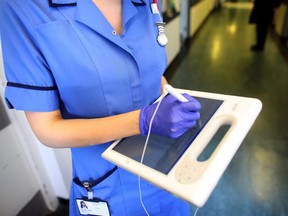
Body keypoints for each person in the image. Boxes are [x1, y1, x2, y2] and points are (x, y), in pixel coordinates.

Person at [0, 0, 201, 215]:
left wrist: (169, 93)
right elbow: (47, 129)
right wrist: (142, 120)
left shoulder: (149, 2)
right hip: (107, 184)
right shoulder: (21, 7)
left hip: (165, 169)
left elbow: (149, 69)